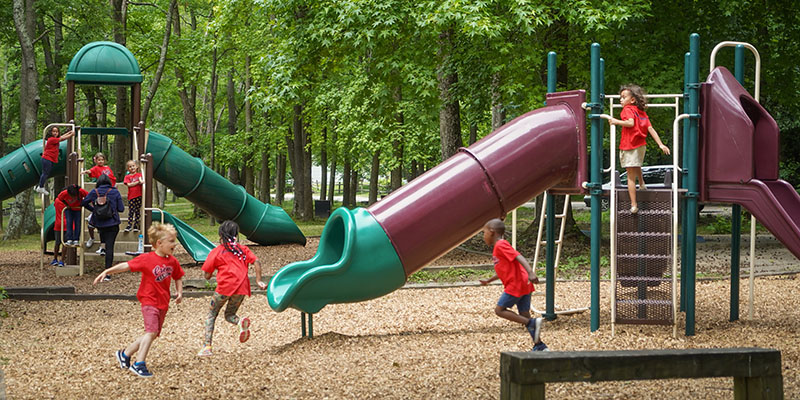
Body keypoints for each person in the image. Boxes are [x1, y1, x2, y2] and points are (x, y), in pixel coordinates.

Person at [93, 223, 184, 378]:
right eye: (171, 241)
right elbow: (126, 266)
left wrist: (179, 292)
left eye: (174, 240)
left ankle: (125, 354)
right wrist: (108, 271)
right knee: (151, 332)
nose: (174, 244)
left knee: (152, 334)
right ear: (159, 243)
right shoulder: (147, 259)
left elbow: (178, 276)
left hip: (163, 302)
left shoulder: (172, 261)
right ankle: (139, 363)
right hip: (149, 301)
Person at [197, 220, 267, 357]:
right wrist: (258, 281)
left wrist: (211, 272)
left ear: (221, 235)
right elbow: (256, 261)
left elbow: (206, 275)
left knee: (211, 315)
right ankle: (240, 322)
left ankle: (207, 347)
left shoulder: (217, 251)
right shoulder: (243, 249)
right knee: (229, 315)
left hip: (224, 287)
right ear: (236, 234)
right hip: (242, 288)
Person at [479, 218, 548, 352]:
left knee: (499, 310)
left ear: (492, 232)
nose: (484, 236)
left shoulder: (501, 245)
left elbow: (519, 256)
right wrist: (489, 280)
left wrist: (530, 272)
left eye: (484, 232)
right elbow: (503, 270)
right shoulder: (499, 248)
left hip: (516, 285)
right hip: (523, 285)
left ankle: (531, 323)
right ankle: (539, 345)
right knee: (524, 314)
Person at [608, 84, 670, 214]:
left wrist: (615, 121)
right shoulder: (642, 113)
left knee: (630, 176)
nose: (621, 100)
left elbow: (630, 123)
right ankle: (642, 184)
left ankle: (634, 204)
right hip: (641, 145)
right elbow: (650, 129)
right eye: (620, 97)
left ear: (632, 100)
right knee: (637, 165)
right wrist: (660, 144)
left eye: (623, 97)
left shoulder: (627, 110)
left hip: (629, 145)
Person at [82, 174, 124, 280]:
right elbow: (121, 209)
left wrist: (95, 210)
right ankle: (108, 273)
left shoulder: (94, 192)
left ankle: (102, 248)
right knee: (110, 248)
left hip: (100, 223)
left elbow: (83, 203)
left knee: (104, 240)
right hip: (113, 223)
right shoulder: (114, 192)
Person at [82, 152, 116, 248]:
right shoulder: (96, 169)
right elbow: (91, 171)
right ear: (95, 160)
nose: (101, 161)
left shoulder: (107, 169)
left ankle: (103, 245)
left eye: (102, 160)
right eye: (99, 160)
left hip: (108, 199)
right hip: (99, 203)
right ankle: (92, 238)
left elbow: (112, 178)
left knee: (104, 226)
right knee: (91, 223)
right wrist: (85, 172)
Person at [35, 126, 74, 194]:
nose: (55, 133)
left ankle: (40, 186)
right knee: (45, 173)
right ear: (51, 132)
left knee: (46, 173)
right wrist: (71, 134)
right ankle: (40, 187)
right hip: (47, 158)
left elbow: (61, 137)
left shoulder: (55, 139)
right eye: (54, 131)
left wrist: (69, 133)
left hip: (50, 159)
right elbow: (62, 138)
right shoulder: (51, 139)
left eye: (57, 131)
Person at [123, 160, 143, 232]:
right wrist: (137, 182)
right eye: (130, 167)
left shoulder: (139, 175)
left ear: (137, 166)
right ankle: (129, 225)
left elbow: (141, 181)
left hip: (139, 196)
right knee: (131, 211)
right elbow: (129, 184)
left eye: (133, 166)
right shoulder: (127, 177)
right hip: (131, 196)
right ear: (128, 169)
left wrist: (140, 181)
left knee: (137, 211)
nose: (132, 168)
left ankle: (136, 225)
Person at [50, 194, 67, 267]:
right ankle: (62, 260)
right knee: (65, 243)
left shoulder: (57, 201)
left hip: (58, 224)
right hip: (67, 224)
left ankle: (55, 259)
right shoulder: (70, 203)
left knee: (57, 242)